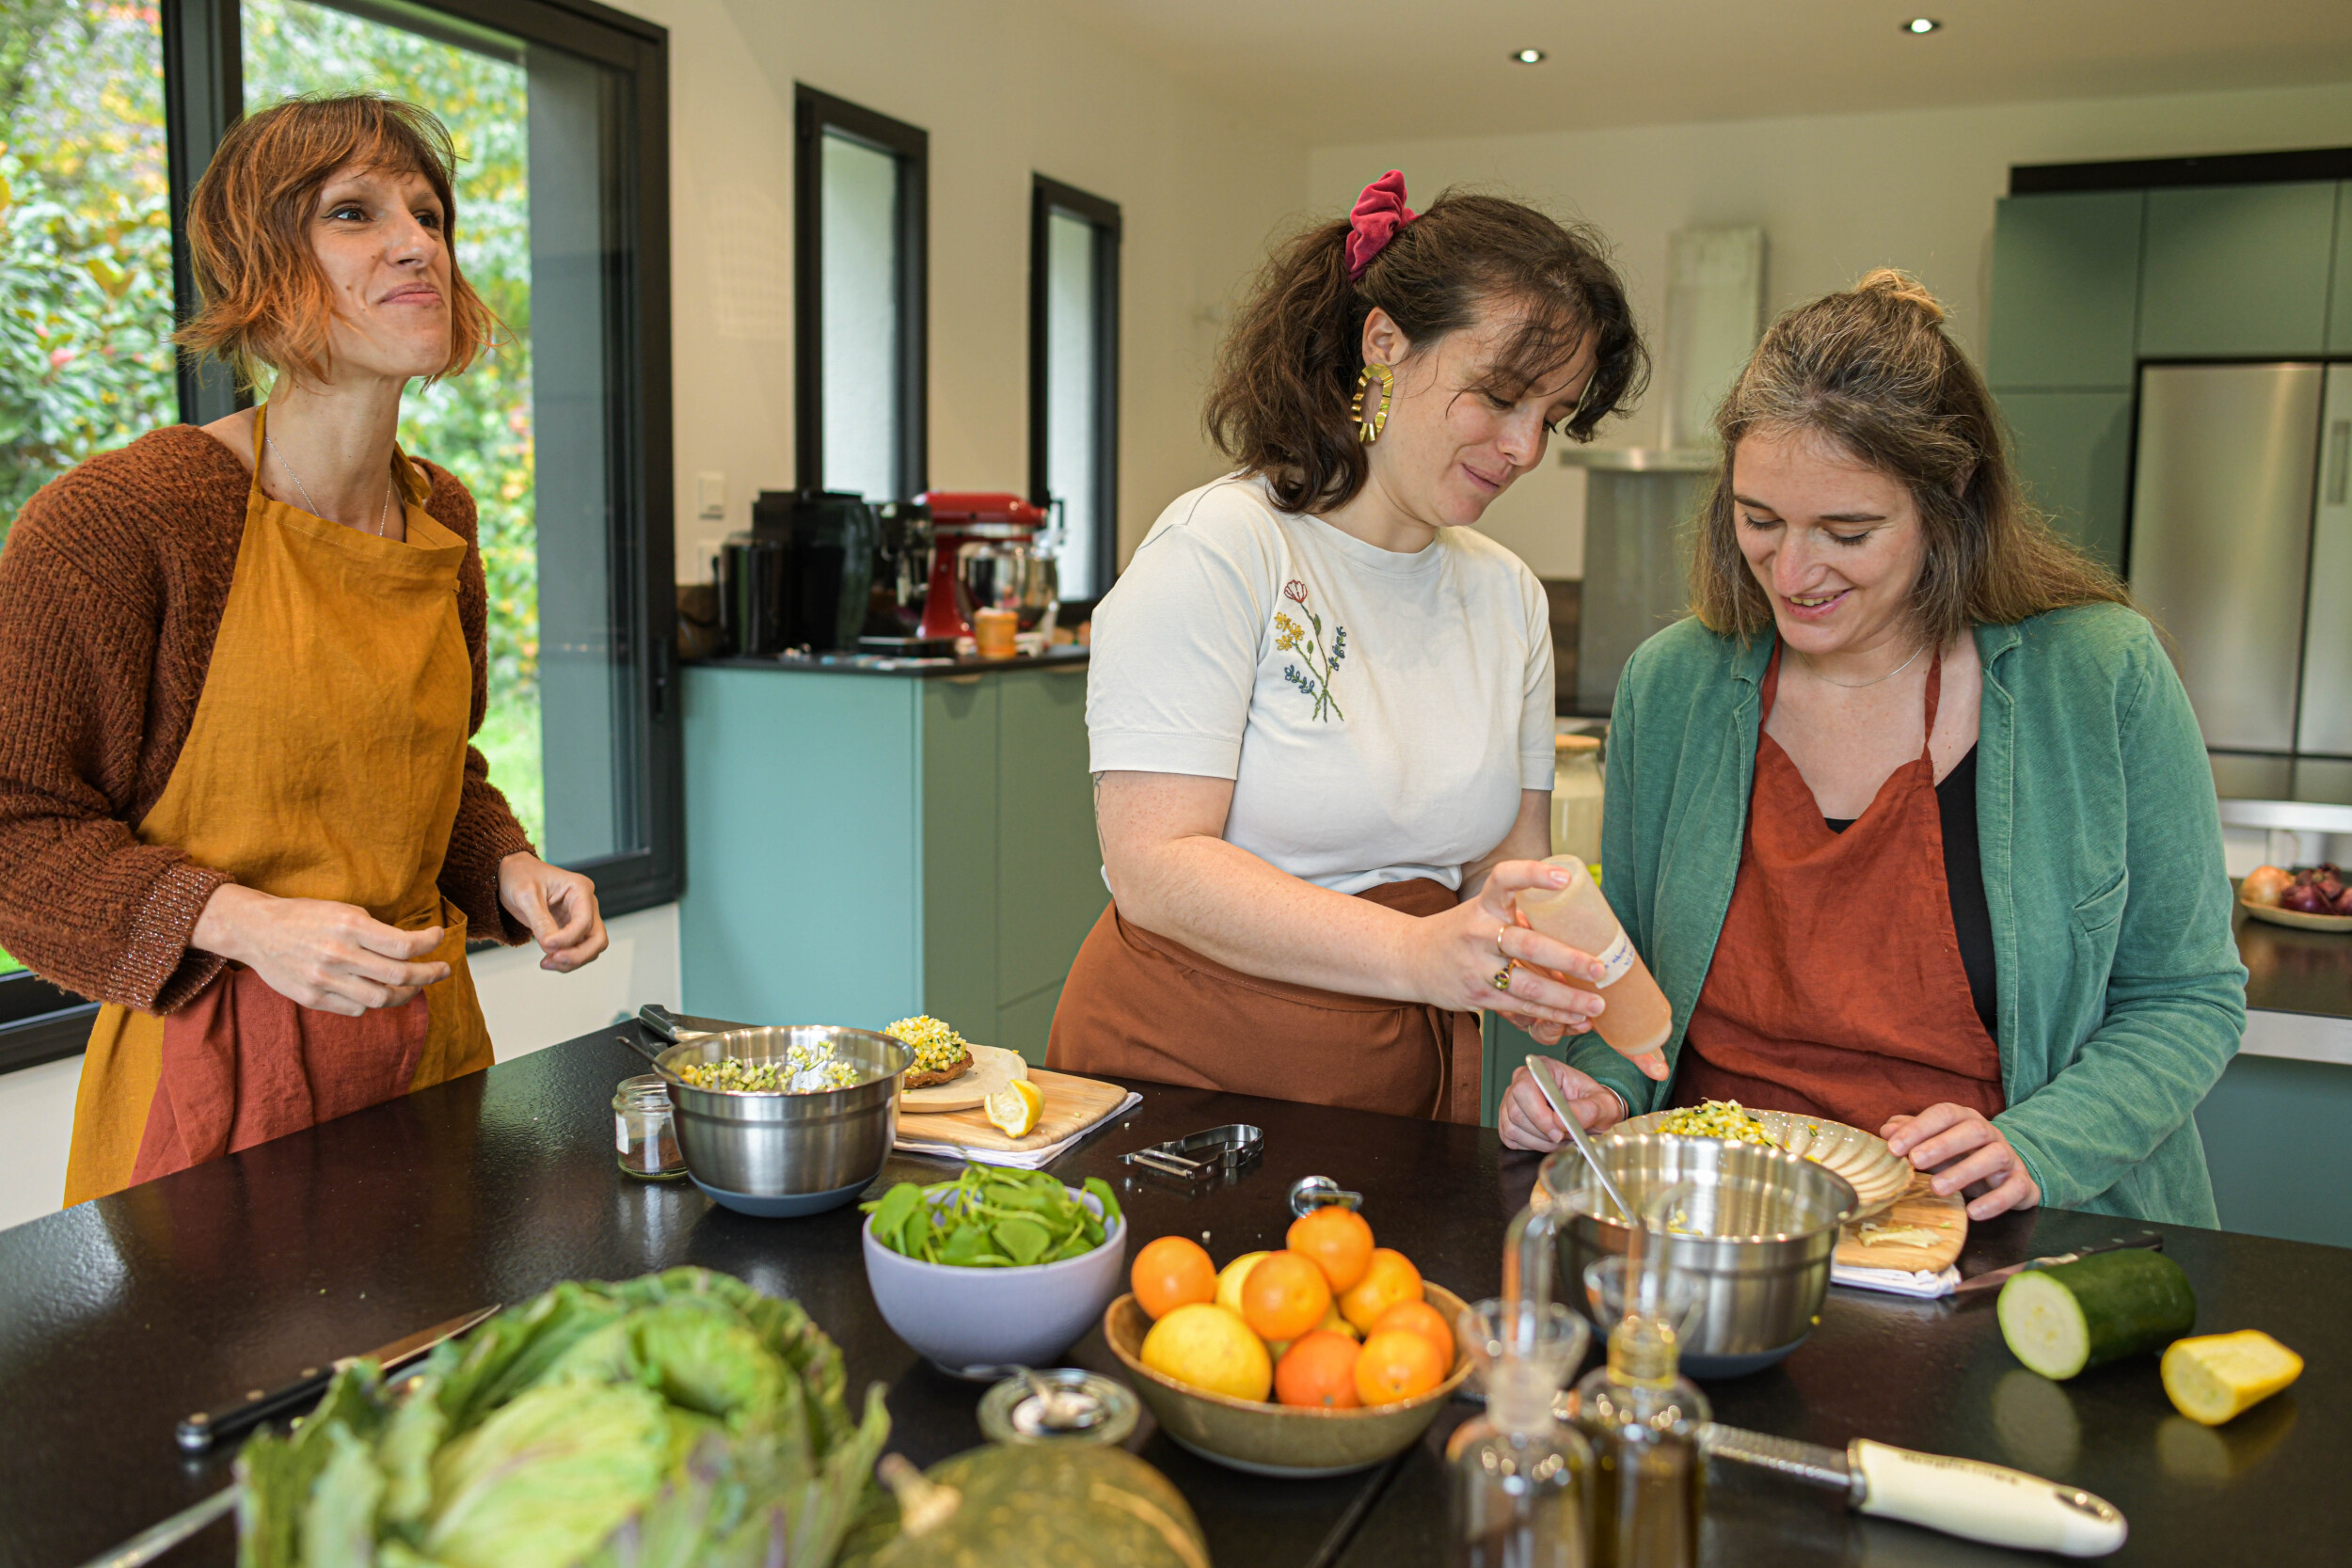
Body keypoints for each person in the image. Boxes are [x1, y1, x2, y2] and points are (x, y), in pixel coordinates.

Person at [1498, 271, 2245, 1227]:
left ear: (1947, 497)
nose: (1794, 572)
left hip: (1995, 1230)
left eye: (1845, 531)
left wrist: (2039, 1141)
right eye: (1758, 520)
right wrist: (1603, 1090)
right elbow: (1628, 986)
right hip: (1716, 1224)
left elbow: (2188, 995)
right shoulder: (1672, 685)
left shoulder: (2096, 675)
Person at [0, 95, 607, 1206]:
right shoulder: (124, 521)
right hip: (215, 1090)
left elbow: (435, 771)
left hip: (428, 1061)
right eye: (353, 213)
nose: (417, 241)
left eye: (427, 214)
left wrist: (507, 868)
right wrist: (242, 921)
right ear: (256, 264)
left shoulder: (445, 519)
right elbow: (14, 825)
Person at [1046, 173, 1648, 1121]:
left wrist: (1562, 991)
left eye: (1553, 416)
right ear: (1384, 343)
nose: (1526, 447)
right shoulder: (1222, 548)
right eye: (1498, 396)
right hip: (1186, 1074)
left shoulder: (1506, 597)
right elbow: (1155, 863)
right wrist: (1417, 953)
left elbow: (1504, 864)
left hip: (1403, 1088)